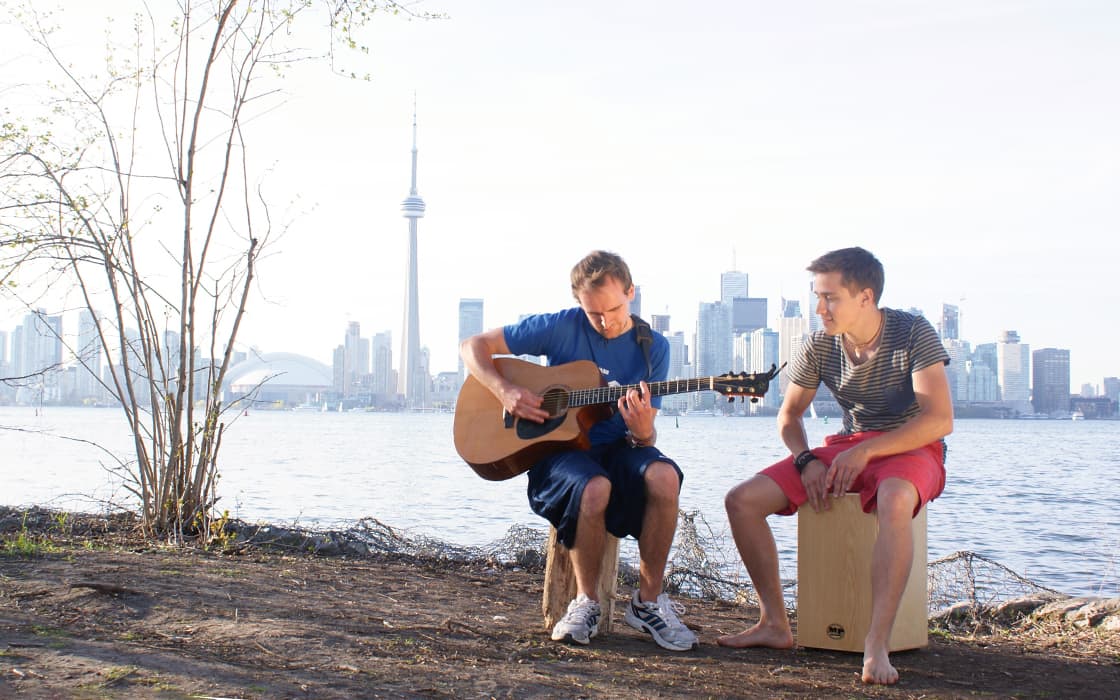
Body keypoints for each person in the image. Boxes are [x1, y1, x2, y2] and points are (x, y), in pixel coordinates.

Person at [716, 246, 953, 685]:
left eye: (830, 298)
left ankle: (876, 645)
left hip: (913, 448)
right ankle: (774, 623)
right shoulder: (819, 345)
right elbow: (788, 418)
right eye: (816, 297)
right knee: (741, 501)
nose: (820, 308)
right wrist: (805, 460)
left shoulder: (912, 331)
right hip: (847, 446)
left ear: (865, 297)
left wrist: (867, 451)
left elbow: (939, 419)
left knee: (896, 499)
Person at [459, 250, 698, 651]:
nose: (605, 322)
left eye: (614, 309)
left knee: (665, 475)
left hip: (618, 449)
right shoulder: (559, 326)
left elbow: (645, 439)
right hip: (560, 455)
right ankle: (586, 602)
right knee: (593, 487)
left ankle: (649, 602)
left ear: (631, 292)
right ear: (579, 306)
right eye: (594, 314)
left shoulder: (652, 348)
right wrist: (507, 390)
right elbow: (472, 346)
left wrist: (644, 432)